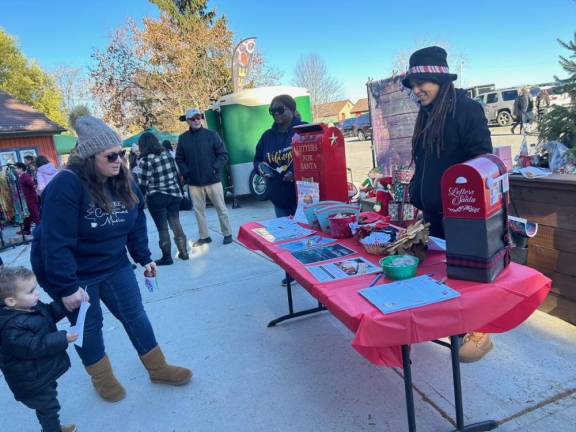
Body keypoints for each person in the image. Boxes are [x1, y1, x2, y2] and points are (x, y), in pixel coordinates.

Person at [31, 106, 192, 403]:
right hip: (75, 273)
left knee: (135, 314)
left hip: (115, 264)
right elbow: (55, 243)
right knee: (90, 327)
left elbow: (135, 223)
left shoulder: (124, 180)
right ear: (89, 158)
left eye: (121, 153)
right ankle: (102, 379)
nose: (119, 161)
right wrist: (66, 288)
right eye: (111, 156)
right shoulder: (66, 185)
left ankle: (157, 368)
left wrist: (144, 257)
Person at [402, 46, 494, 363]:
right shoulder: (426, 114)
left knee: (463, 280)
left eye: (420, 83)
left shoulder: (466, 109)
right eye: (412, 85)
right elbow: (426, 161)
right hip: (432, 215)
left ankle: (478, 333)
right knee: (440, 279)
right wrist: (417, 190)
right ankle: (454, 329)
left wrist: (462, 198)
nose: (416, 90)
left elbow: (484, 160)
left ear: (437, 80)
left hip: (462, 218)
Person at [0, 266, 78, 432]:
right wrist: (62, 338)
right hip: (30, 382)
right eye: (31, 291)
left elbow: (48, 312)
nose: (37, 293)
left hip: (40, 374)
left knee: (48, 403)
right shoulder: (10, 328)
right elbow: (33, 346)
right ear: (11, 301)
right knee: (49, 408)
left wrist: (65, 306)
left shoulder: (30, 305)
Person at [176, 108, 233, 246]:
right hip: (194, 182)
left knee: (221, 208)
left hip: (213, 180)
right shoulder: (183, 138)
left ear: (201, 118)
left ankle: (227, 233)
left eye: (198, 117)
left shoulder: (212, 135)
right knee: (198, 211)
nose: (196, 120)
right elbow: (179, 158)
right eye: (193, 119)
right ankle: (204, 236)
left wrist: (214, 168)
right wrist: (187, 172)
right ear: (188, 121)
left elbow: (223, 155)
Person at [136, 132, 189, 265]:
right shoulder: (167, 154)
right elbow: (177, 174)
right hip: (174, 194)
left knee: (162, 228)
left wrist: (140, 200)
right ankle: (184, 252)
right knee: (175, 222)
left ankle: (167, 257)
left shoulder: (145, 160)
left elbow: (142, 183)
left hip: (157, 197)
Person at [253, 94, 305, 218]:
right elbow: (258, 160)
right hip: (279, 201)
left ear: (291, 110)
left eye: (280, 109)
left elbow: (315, 159)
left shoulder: (304, 130)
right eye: (272, 111)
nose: (276, 113)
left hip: (303, 199)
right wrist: (261, 168)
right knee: (286, 236)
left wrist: (295, 173)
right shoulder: (267, 136)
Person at [13, 162, 40, 235]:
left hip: (30, 199)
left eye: (16, 168)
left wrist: (33, 197)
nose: (15, 170)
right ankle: (26, 230)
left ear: (21, 168)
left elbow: (33, 186)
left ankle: (41, 230)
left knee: (35, 216)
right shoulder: (21, 176)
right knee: (27, 215)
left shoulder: (25, 177)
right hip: (26, 200)